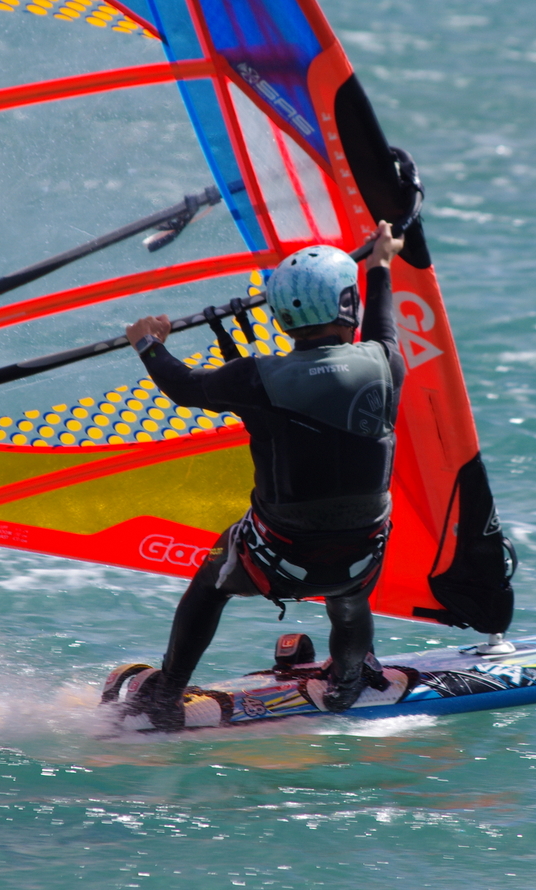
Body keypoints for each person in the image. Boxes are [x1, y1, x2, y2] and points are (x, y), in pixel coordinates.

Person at [117, 222, 406, 728]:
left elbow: (183, 386)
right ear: (348, 306)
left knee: (212, 581)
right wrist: (380, 263)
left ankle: (166, 692)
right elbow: (384, 326)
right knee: (349, 595)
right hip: (359, 555)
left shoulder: (254, 377)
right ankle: (347, 680)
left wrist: (148, 344)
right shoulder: (386, 363)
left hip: (276, 559)